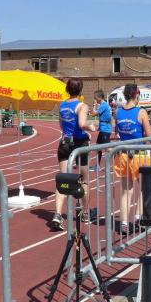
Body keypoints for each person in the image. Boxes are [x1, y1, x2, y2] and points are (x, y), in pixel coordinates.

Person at [50, 78, 96, 231]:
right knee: (84, 181)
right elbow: (82, 124)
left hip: (65, 143)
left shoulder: (62, 105)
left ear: (67, 90)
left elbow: (61, 125)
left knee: (63, 180)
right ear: (81, 90)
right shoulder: (82, 106)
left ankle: (57, 214)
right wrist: (90, 127)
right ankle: (85, 213)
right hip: (79, 144)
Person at [115, 83, 151, 234]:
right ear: (136, 95)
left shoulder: (118, 112)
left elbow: (117, 131)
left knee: (126, 191)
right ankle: (138, 217)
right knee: (144, 187)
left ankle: (124, 223)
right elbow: (149, 136)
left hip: (123, 154)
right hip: (139, 155)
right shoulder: (141, 112)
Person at [93, 89, 112, 168]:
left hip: (105, 130)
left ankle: (115, 162)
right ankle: (97, 165)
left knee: (107, 148)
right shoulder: (104, 105)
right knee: (98, 146)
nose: (95, 99)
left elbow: (94, 114)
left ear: (100, 97)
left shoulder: (103, 105)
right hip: (103, 129)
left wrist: (94, 105)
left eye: (95, 98)